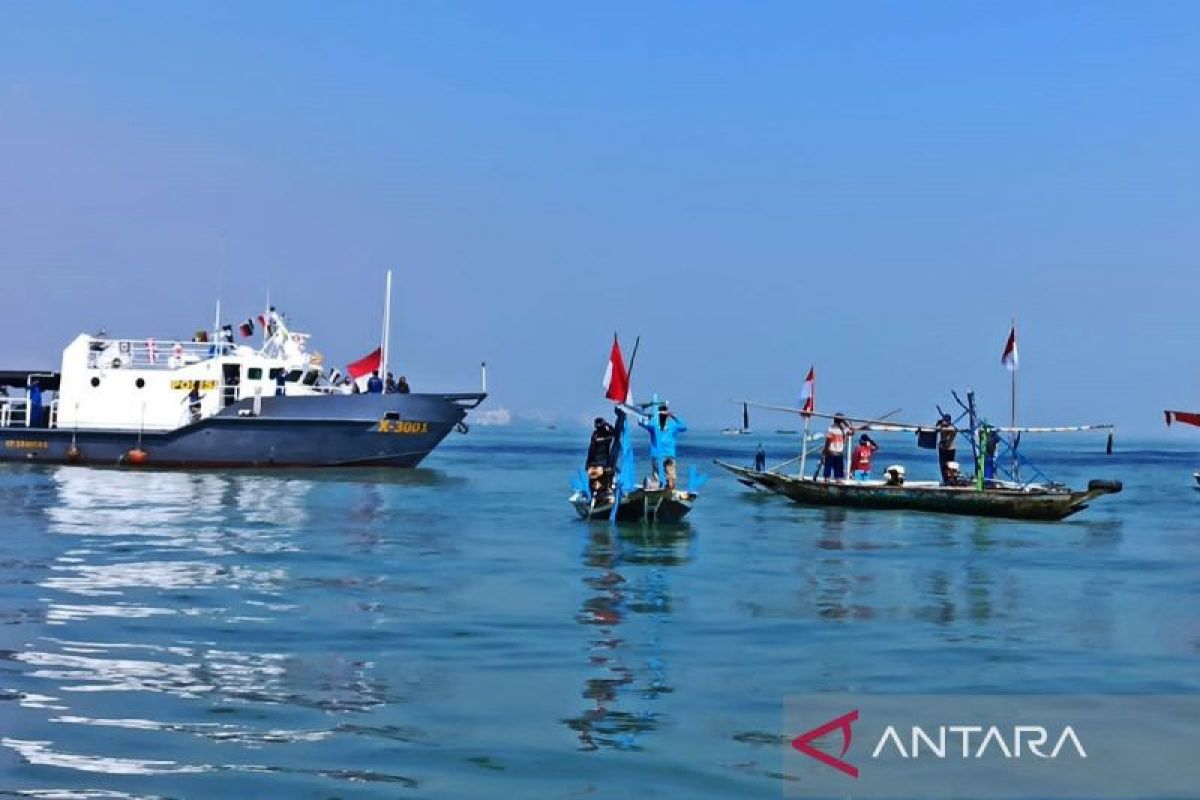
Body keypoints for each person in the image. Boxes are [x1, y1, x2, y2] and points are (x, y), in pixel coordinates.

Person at [639, 400, 687, 490]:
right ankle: (665, 492)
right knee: (665, 480)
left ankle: (665, 492)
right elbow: (683, 426)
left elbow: (640, 421)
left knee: (666, 481)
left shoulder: (657, 425)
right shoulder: (659, 425)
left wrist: (644, 409)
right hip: (662, 456)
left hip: (664, 456)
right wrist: (672, 415)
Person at [821, 413, 852, 481]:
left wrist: (825, 450)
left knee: (828, 467)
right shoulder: (844, 429)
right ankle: (837, 480)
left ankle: (827, 480)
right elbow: (851, 432)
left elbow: (828, 441)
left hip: (831, 451)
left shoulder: (831, 428)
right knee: (838, 469)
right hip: (839, 452)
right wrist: (847, 424)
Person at [935, 413, 958, 484]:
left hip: (950, 449)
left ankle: (952, 480)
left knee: (951, 466)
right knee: (943, 466)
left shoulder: (952, 428)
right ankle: (945, 480)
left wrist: (947, 426)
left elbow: (954, 430)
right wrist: (938, 424)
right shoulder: (941, 427)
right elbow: (936, 429)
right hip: (942, 449)